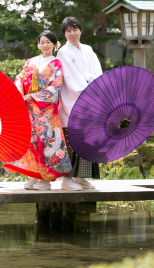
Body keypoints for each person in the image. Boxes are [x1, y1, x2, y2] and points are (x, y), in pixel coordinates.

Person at [4, 31, 78, 190]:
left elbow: (56, 86)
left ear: (54, 45)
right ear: (38, 44)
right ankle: (33, 176)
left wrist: (35, 96)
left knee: (46, 142)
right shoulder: (30, 62)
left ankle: (46, 180)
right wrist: (19, 93)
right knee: (30, 142)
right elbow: (20, 78)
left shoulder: (56, 63)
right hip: (28, 108)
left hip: (46, 111)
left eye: (48, 42)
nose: (45, 45)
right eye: (42, 42)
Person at [57, 16, 103, 189]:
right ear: (64, 34)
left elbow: (97, 70)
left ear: (80, 31)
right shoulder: (63, 51)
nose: (72, 34)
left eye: (75, 30)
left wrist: (96, 84)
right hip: (74, 99)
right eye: (68, 31)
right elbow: (70, 77)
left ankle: (81, 177)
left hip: (91, 97)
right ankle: (66, 178)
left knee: (87, 140)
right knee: (71, 140)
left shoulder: (88, 49)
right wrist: (86, 89)